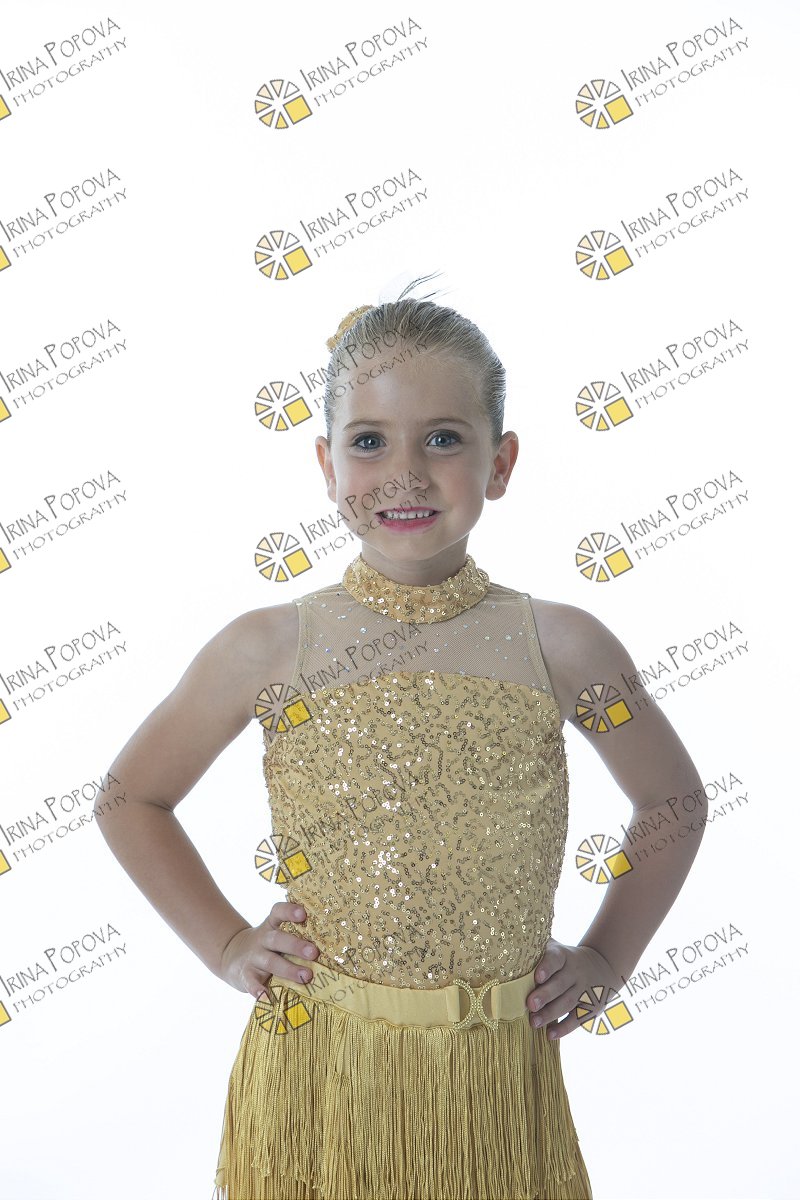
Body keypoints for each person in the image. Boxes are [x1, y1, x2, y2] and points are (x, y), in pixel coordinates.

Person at [95, 274, 707, 1200]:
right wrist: (227, 946)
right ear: (326, 464)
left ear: (501, 463)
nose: (406, 473)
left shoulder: (562, 646)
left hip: (492, 1082)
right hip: (318, 1075)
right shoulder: (268, 647)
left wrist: (607, 958)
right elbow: (131, 798)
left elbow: (673, 801)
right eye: (369, 441)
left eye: (444, 439)